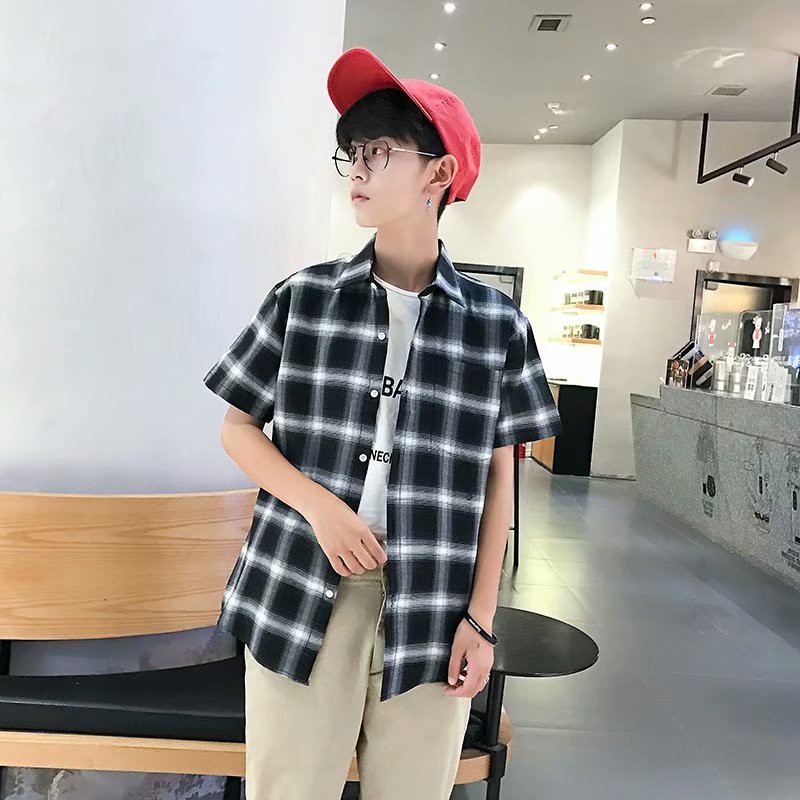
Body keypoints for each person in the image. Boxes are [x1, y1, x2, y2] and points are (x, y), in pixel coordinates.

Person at [202, 46, 562, 800]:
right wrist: (319, 506)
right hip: (301, 582)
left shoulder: (496, 325)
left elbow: (501, 479)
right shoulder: (304, 299)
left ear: (439, 173)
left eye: (379, 151)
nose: (357, 170)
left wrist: (483, 619)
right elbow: (238, 427)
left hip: (433, 601)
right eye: (352, 153)